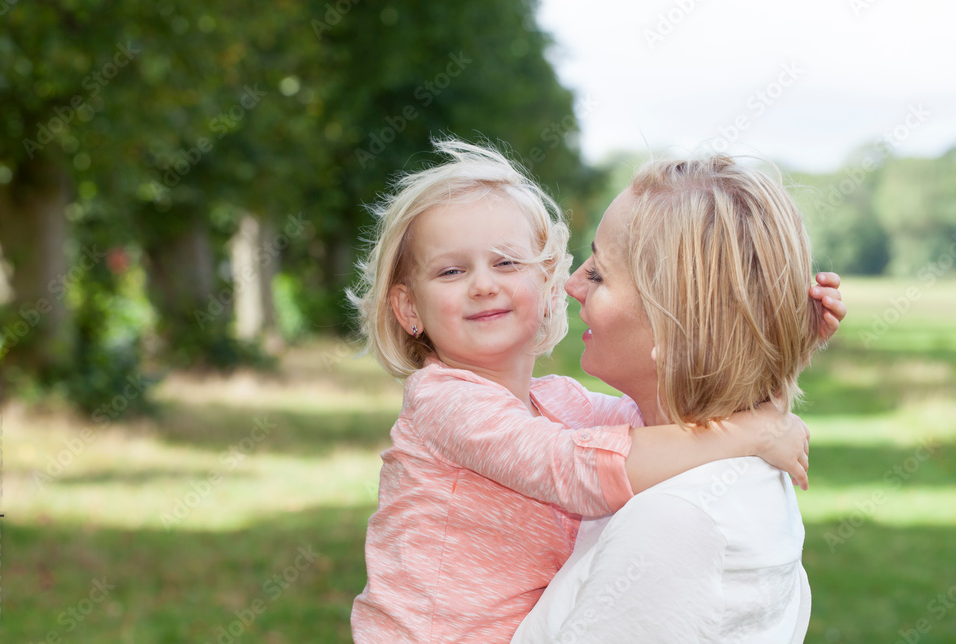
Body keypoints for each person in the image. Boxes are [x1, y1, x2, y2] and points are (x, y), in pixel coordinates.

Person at [347, 139, 844, 643]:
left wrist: (781, 343)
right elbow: (578, 466)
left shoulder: (559, 402)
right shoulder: (444, 400)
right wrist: (749, 432)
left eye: (507, 264)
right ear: (408, 310)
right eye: (452, 271)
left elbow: (661, 424)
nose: (482, 285)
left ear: (544, 283)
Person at [512, 155, 843, 643]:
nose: (572, 284)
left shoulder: (674, 523)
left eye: (600, 274)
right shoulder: (745, 466)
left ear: (675, 328)